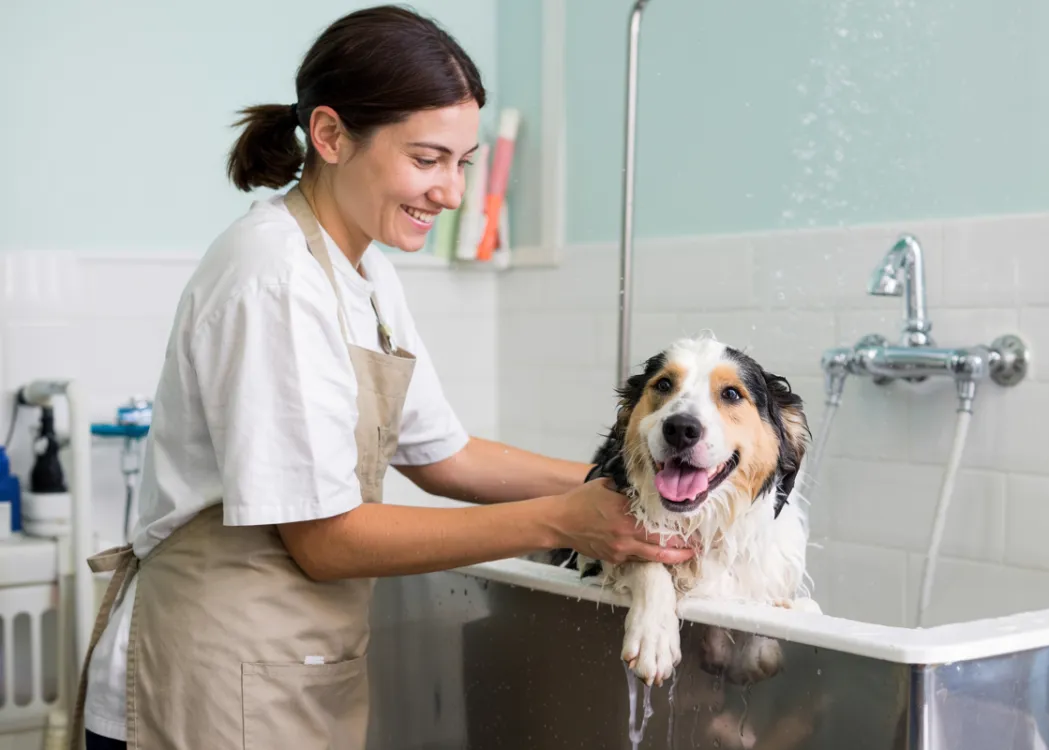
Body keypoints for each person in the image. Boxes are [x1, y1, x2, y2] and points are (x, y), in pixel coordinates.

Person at [71, 6, 694, 749]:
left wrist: (638, 483)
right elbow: (325, 541)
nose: (453, 192)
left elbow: (445, 457)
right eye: (427, 160)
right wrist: (563, 518)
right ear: (331, 136)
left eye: (462, 163)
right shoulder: (273, 275)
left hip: (289, 672)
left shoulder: (364, 270)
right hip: (208, 683)